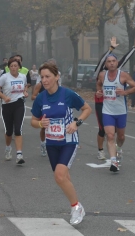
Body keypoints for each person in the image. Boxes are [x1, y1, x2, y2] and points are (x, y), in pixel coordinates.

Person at [30, 63, 91, 225]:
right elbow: (33, 121)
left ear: (57, 77)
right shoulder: (41, 98)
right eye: (42, 77)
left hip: (68, 141)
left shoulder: (67, 94)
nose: (44, 80)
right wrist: (41, 124)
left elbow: (87, 109)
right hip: (51, 143)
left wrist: (76, 123)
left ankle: (76, 207)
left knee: (59, 176)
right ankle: (77, 206)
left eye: (48, 76)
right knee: (64, 177)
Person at [93, 36, 135, 160]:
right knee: (103, 130)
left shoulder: (117, 70)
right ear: (105, 63)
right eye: (109, 61)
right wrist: (111, 49)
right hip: (101, 102)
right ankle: (101, 150)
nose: (111, 63)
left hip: (116, 104)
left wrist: (134, 48)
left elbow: (124, 59)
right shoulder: (100, 72)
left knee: (119, 135)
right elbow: (103, 60)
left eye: (113, 61)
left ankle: (116, 148)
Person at [0, 57, 28, 164]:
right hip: (7, 105)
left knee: (18, 129)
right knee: (9, 131)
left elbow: (25, 86)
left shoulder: (22, 76)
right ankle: (8, 148)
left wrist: (25, 92)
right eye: (11, 66)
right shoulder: (4, 77)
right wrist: (4, 97)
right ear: (9, 67)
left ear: (19, 67)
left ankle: (19, 154)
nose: (13, 68)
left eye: (15, 66)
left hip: (19, 104)